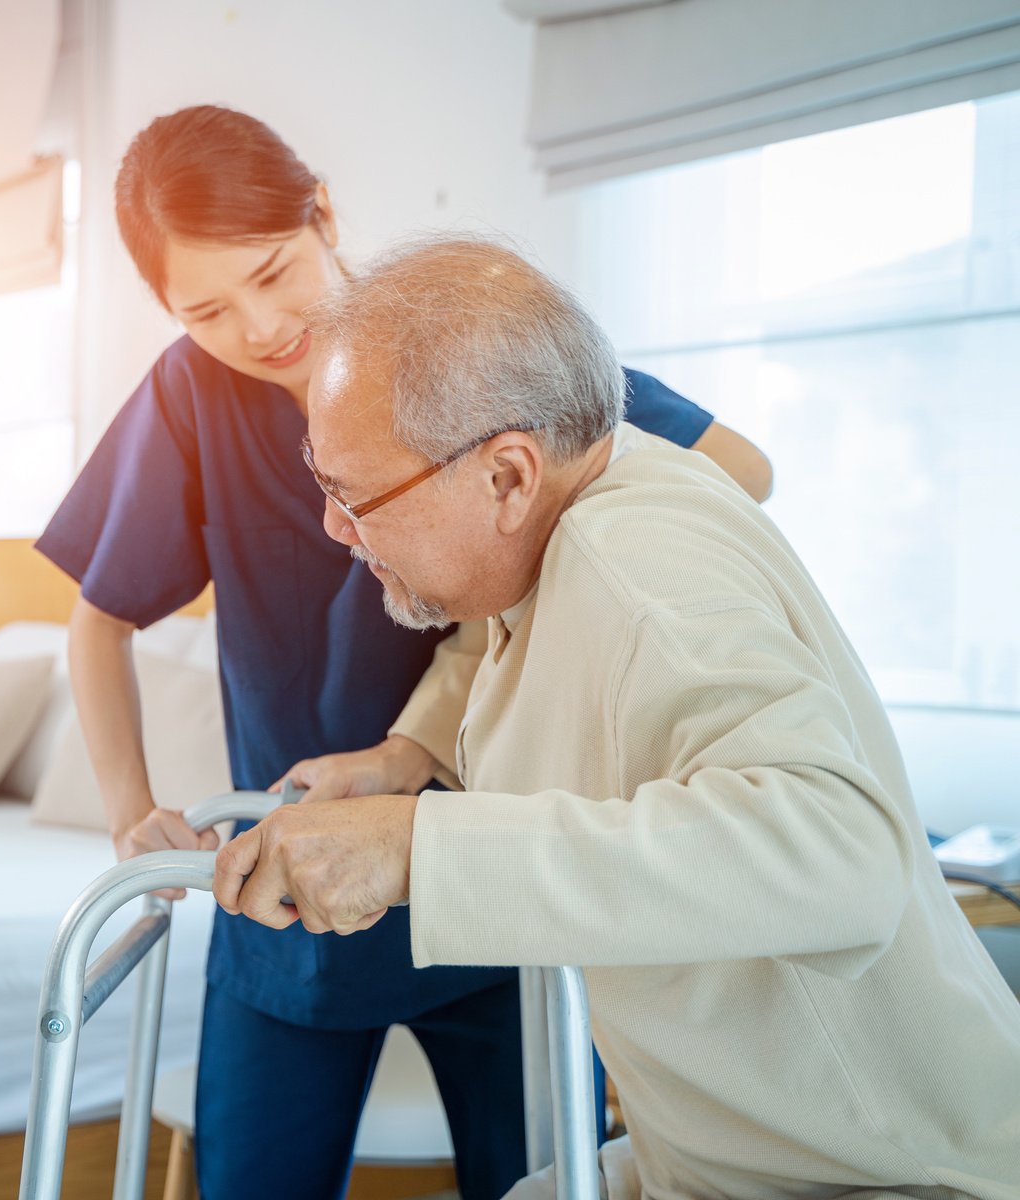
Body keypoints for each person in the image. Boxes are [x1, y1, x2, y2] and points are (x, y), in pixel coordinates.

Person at [35, 106, 774, 1200]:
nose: (259, 325)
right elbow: (98, 618)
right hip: (288, 886)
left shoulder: (463, 334)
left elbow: (738, 470)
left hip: (489, 864)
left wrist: (530, 611)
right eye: (206, 309)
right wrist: (130, 808)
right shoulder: (193, 397)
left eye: (275, 271)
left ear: (323, 213)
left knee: (533, 1176)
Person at [213, 235, 1020, 1199]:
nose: (336, 528)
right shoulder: (567, 522)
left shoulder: (640, 566)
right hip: (717, 1161)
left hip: (878, 1175)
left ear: (507, 476)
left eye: (356, 495)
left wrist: (419, 848)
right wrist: (404, 764)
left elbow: (840, 851)